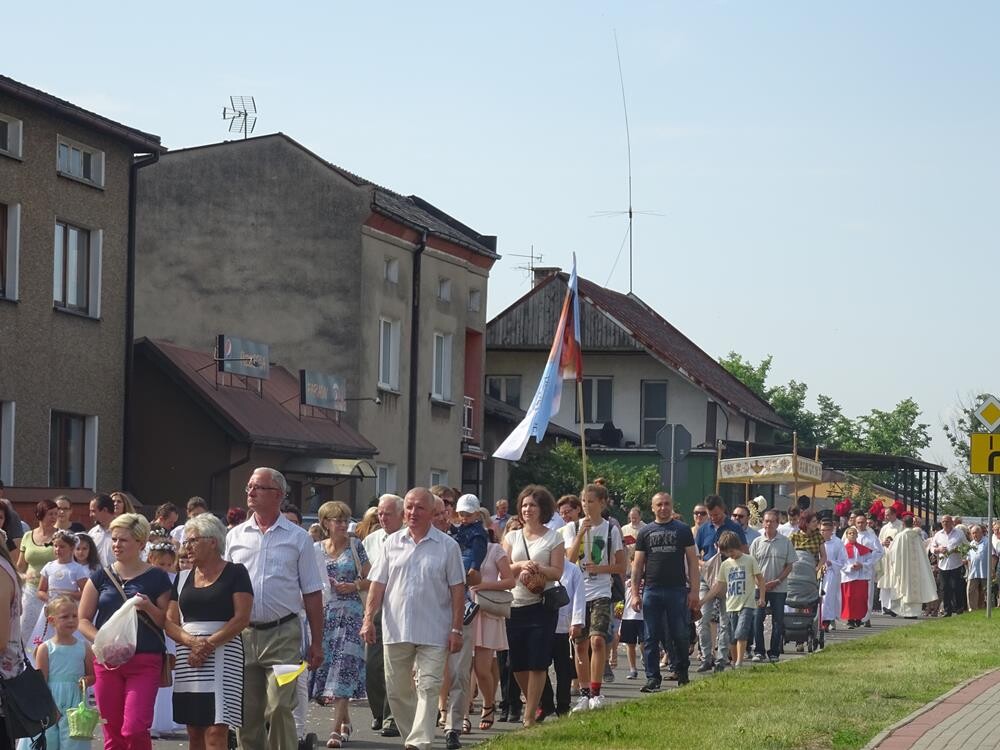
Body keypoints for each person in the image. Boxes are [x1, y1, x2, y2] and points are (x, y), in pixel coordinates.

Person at [225, 468, 324, 750]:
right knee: (246, 713)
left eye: (258, 487)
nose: (250, 492)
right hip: (244, 634)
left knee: (280, 706)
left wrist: (317, 642)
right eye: (249, 487)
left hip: (284, 634)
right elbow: (224, 586)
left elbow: (312, 593)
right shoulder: (235, 536)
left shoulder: (299, 538)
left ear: (278, 494)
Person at [360, 488, 466, 750]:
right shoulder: (391, 543)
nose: (413, 512)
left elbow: (457, 590)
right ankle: (413, 738)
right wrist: (368, 619)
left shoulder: (448, 546)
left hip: (434, 630)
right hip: (396, 629)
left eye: (419, 507)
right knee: (397, 691)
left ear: (432, 512)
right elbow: (377, 585)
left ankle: (419, 742)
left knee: (429, 686)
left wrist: (456, 629)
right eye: (409, 507)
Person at [79, 513, 173, 750]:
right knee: (112, 733)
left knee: (134, 728)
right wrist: (103, 640)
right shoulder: (100, 576)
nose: (116, 545)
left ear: (141, 543)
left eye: (123, 540)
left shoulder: (158, 577)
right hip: (107, 661)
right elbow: (83, 619)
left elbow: (166, 621)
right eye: (114, 539)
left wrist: (148, 606)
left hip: (145, 660)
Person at [166, 513, 252, 750]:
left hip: (224, 654)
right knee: (194, 730)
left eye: (193, 540)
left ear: (213, 541)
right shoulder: (182, 578)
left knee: (216, 730)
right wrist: (193, 643)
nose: (187, 547)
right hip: (188, 656)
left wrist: (207, 645)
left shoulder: (236, 572)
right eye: (186, 542)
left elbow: (242, 618)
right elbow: (170, 622)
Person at [499, 486, 564, 727]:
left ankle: (528, 717)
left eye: (533, 505)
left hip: (541, 606)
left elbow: (557, 572)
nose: (527, 509)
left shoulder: (554, 538)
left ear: (542, 509)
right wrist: (520, 565)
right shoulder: (512, 537)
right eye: (524, 505)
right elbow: (503, 569)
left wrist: (538, 568)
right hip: (514, 605)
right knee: (516, 663)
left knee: (538, 660)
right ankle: (536, 702)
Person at [312, 502, 370, 748]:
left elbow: (372, 579)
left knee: (343, 667)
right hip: (325, 615)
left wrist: (354, 585)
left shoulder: (356, 546)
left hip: (351, 614)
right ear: (326, 522)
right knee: (329, 667)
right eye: (338, 520)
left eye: (346, 520)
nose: (344, 525)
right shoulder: (316, 549)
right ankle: (345, 720)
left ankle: (335, 730)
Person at [630, 491, 698, 692]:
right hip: (652, 590)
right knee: (650, 636)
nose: (663, 507)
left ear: (671, 505)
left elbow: (692, 562)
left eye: (667, 503)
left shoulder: (683, 530)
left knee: (680, 634)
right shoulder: (645, 532)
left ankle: (682, 672)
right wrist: (635, 593)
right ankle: (653, 678)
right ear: (652, 508)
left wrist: (694, 591)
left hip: (677, 589)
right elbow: (637, 565)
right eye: (659, 504)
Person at [564, 483, 623, 712]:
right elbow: (568, 561)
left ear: (602, 503)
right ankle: (584, 692)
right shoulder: (572, 528)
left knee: (597, 640)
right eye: (584, 501)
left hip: (601, 590)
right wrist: (580, 533)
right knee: (580, 644)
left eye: (591, 501)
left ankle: (596, 692)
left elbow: (621, 566)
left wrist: (600, 569)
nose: (587, 505)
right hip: (578, 592)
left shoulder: (611, 530)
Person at [466, 510, 515, 730]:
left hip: (486, 612)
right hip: (464, 611)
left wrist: (484, 585)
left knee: (481, 669)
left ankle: (488, 703)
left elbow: (510, 581)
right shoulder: (460, 548)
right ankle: (463, 713)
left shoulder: (495, 550)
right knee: (463, 669)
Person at [361, 494, 404, 739]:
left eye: (388, 514)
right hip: (376, 609)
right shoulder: (371, 540)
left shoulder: (409, 540)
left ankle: (392, 717)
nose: (382, 518)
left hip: (400, 611)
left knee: (395, 667)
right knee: (372, 666)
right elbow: (366, 578)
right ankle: (379, 711)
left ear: (401, 515)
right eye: (380, 513)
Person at [28, 596, 95, 750]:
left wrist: (87, 680)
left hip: (75, 700)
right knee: (49, 739)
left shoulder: (84, 647)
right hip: (51, 698)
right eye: (65, 617)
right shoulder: (45, 648)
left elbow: (92, 676)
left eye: (74, 616)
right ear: (52, 620)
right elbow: (41, 681)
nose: (71, 620)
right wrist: (47, 707)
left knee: (74, 739)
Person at [694, 495, 746, 673]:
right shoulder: (703, 529)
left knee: (725, 620)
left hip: (728, 578)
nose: (713, 518)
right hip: (707, 577)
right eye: (710, 515)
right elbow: (695, 554)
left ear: (723, 510)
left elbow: (744, 551)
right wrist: (704, 564)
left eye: (716, 514)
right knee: (703, 618)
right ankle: (706, 656)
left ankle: (722, 659)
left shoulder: (734, 527)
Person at [700, 531, 764, 669]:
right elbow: (718, 586)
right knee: (733, 636)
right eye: (727, 553)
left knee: (741, 632)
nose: (730, 554)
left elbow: (760, 579)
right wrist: (703, 600)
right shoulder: (726, 565)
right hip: (731, 604)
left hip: (747, 603)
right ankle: (735, 662)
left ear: (738, 546)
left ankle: (740, 662)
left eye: (731, 551)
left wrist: (762, 597)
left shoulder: (749, 560)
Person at [748, 510, 795, 663]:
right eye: (766, 521)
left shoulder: (785, 542)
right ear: (763, 522)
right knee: (757, 618)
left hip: (779, 588)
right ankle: (759, 651)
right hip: (759, 588)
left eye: (772, 521)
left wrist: (778, 581)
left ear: (777, 523)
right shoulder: (757, 542)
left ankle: (774, 652)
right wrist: (759, 583)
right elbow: (751, 566)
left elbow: (789, 566)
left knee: (778, 620)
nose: (768, 524)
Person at [29, 530, 89, 648]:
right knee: (47, 636)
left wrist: (69, 595)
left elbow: (85, 592)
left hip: (69, 610)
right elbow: (40, 591)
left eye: (62, 546)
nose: (57, 549)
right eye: (55, 546)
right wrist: (49, 599)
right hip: (52, 609)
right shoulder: (49, 566)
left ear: (71, 548)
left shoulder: (77, 569)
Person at [18, 499, 58, 646]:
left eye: (56, 514)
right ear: (40, 514)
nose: (54, 517)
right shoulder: (27, 536)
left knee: (50, 630)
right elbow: (20, 566)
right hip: (30, 591)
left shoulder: (61, 536)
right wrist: (23, 576)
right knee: (25, 628)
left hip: (52, 592)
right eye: (50, 514)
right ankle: (27, 658)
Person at [886, 515, 938, 618]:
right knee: (914, 587)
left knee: (904, 588)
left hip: (904, 569)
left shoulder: (900, 536)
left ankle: (905, 612)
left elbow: (894, 553)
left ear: (903, 524)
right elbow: (922, 554)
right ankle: (914, 613)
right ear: (912, 524)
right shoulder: (917, 537)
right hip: (916, 569)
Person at [932, 515, 968, 617]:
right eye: (943, 522)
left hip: (956, 564)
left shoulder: (959, 533)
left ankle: (959, 608)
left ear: (952, 522)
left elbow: (966, 545)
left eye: (947, 521)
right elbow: (932, 547)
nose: (945, 523)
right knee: (944, 588)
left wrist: (958, 550)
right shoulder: (938, 534)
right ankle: (947, 610)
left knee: (956, 587)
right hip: (943, 565)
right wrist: (938, 549)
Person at [852, 512, 884, 626]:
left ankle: (866, 617)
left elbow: (879, 552)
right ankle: (855, 616)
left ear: (866, 523)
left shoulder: (871, 537)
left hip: (866, 569)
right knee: (855, 594)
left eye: (862, 522)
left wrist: (866, 564)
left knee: (867, 594)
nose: (860, 525)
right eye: (858, 523)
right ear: (855, 523)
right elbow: (844, 550)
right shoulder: (850, 535)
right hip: (853, 570)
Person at [840, 526, 874, 627]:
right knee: (849, 598)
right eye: (850, 533)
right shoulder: (842, 549)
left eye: (854, 533)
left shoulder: (863, 549)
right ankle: (850, 619)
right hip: (848, 577)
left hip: (860, 577)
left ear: (857, 535)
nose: (852, 535)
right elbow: (841, 562)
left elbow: (870, 560)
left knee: (860, 598)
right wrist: (850, 567)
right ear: (846, 536)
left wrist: (862, 565)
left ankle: (859, 618)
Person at [819, 518, 848, 631]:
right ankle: (818, 620)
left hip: (831, 573)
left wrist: (831, 563)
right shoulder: (817, 541)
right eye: (821, 530)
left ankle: (827, 620)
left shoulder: (837, 542)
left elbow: (843, 560)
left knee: (828, 597)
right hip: (818, 572)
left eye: (825, 530)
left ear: (831, 531)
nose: (822, 532)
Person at [965, 525, 995, 611]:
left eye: (976, 533)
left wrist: (992, 569)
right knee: (970, 590)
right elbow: (969, 559)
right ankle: (972, 610)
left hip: (985, 572)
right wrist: (968, 570)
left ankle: (990, 609)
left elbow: (993, 556)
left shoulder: (987, 542)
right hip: (973, 572)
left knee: (987, 592)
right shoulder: (971, 544)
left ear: (981, 533)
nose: (974, 535)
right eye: (973, 533)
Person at [88, 495, 117, 568]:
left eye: (93, 511)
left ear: (105, 510)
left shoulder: (123, 532)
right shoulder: (92, 533)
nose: (90, 515)